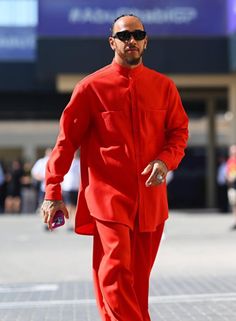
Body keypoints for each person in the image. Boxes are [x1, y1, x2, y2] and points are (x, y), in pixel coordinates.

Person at [41, 14, 188, 321]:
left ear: (146, 41)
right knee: (116, 269)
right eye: (124, 36)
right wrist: (52, 191)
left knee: (136, 280)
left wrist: (165, 160)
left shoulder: (164, 87)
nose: (131, 41)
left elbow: (178, 133)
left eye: (137, 35)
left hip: (150, 200)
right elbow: (66, 142)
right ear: (112, 42)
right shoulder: (90, 88)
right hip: (108, 198)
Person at [61, 152, 80, 230]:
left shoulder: (78, 162)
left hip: (75, 187)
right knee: (68, 206)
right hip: (67, 187)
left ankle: (73, 223)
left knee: (75, 206)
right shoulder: (66, 161)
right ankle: (67, 223)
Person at [225, 144, 236, 229]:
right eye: (232, 150)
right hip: (232, 186)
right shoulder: (230, 161)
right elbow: (227, 172)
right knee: (234, 205)